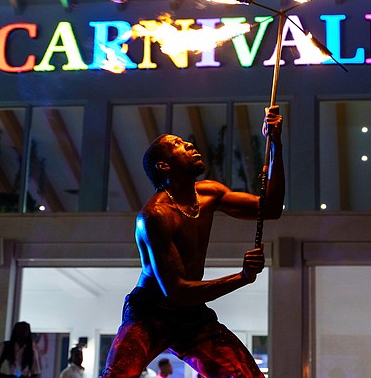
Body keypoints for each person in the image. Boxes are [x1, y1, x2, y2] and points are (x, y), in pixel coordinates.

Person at [101, 106, 284, 378]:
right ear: (164, 165)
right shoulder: (155, 216)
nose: (189, 144)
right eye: (178, 145)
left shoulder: (210, 193)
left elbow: (270, 208)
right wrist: (242, 277)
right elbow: (176, 292)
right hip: (151, 313)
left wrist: (276, 144)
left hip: (191, 315)